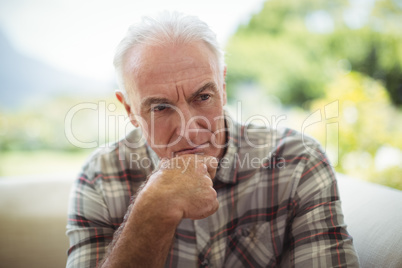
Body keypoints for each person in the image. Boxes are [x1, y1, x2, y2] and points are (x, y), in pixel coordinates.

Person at [66, 11, 360, 267]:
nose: (191, 130)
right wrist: (152, 210)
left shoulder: (298, 162)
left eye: (203, 97)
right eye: (160, 108)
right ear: (129, 109)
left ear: (223, 85)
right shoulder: (99, 180)